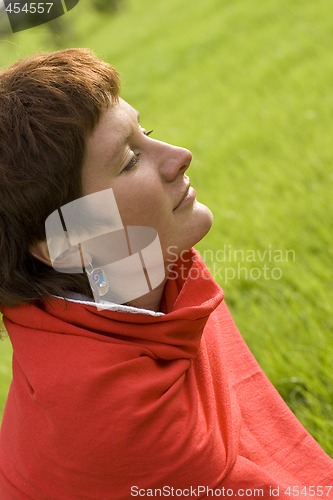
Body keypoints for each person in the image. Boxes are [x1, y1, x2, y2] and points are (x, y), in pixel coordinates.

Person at [0, 48, 332, 499]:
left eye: (147, 133)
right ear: (67, 241)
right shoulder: (122, 425)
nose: (180, 156)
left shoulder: (140, 272)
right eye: (130, 160)